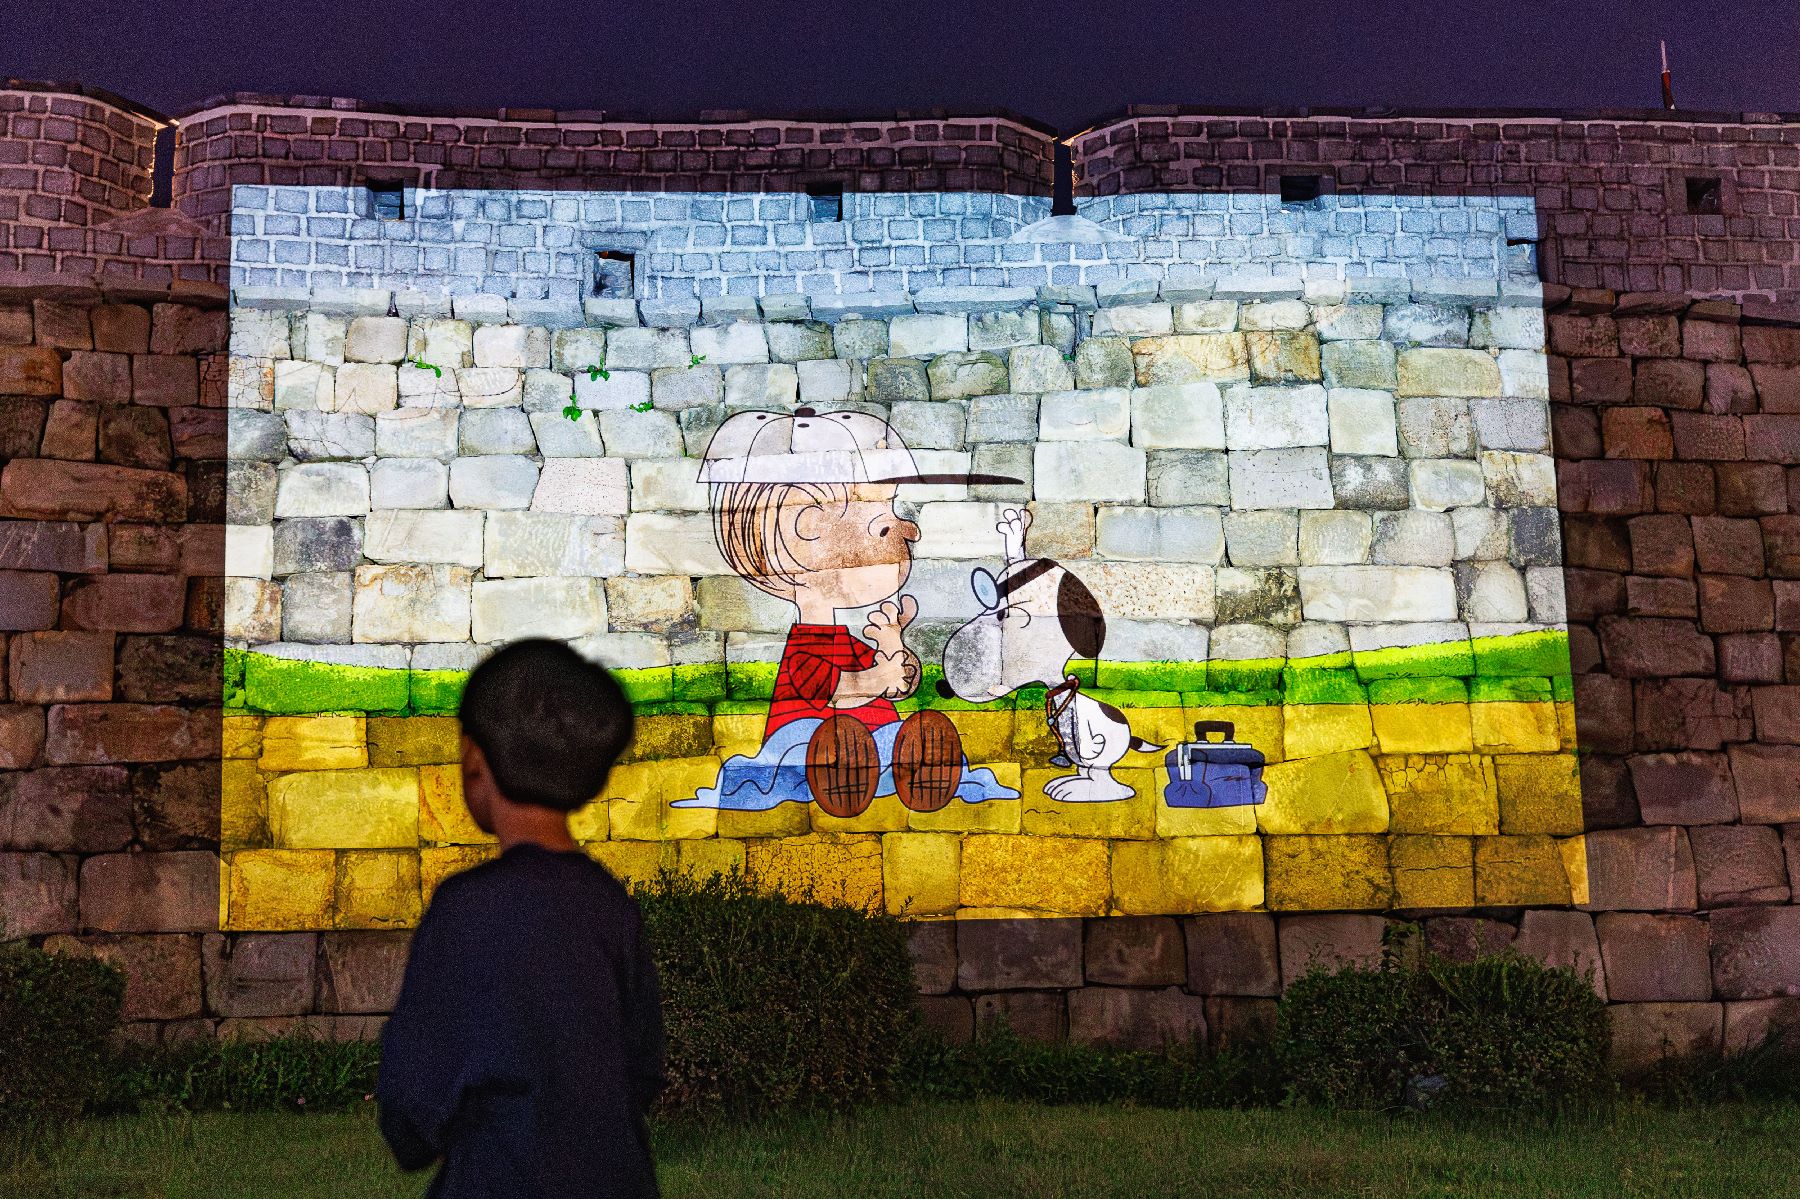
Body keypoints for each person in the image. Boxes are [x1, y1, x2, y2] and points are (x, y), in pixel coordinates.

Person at [377, 639, 665, 1199]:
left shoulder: (464, 910)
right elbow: (643, 1067)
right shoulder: (611, 906)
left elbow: (413, 1097)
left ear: (474, 761)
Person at [673, 406, 1020, 813]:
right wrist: (878, 677)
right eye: (881, 522)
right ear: (809, 530)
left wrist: (894, 650)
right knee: (824, 740)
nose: (910, 531)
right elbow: (837, 692)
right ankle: (845, 782)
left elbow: (896, 688)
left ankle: (911, 776)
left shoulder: (850, 644)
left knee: (898, 735)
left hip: (869, 741)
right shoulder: (803, 651)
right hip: (813, 745)